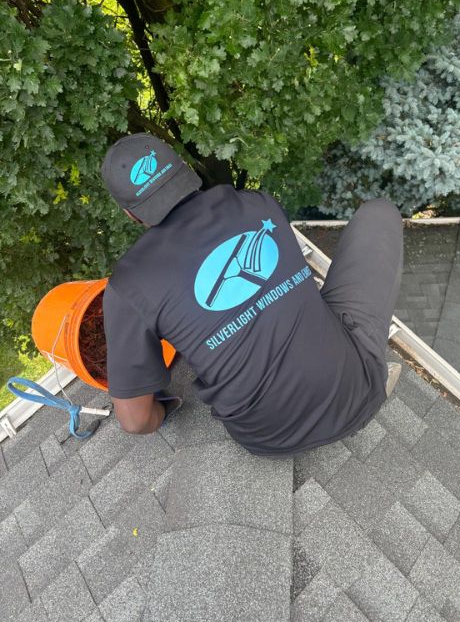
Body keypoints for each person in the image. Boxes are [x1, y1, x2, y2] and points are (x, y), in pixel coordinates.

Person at [100, 133, 404, 457]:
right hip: (356, 394)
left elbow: (134, 420)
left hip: (269, 438)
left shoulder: (128, 286)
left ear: (130, 214)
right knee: (379, 212)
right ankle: (369, 366)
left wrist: (162, 412)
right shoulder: (257, 204)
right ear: (185, 170)